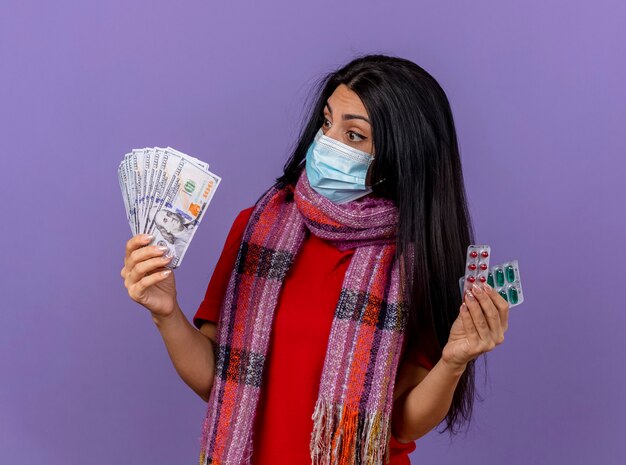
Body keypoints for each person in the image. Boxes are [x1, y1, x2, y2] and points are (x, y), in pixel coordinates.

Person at [121, 54, 510, 465]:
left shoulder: (418, 263)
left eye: (354, 135)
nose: (327, 142)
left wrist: (454, 360)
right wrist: (165, 312)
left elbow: (403, 425)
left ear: (404, 153)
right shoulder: (257, 229)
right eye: (327, 122)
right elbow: (216, 380)